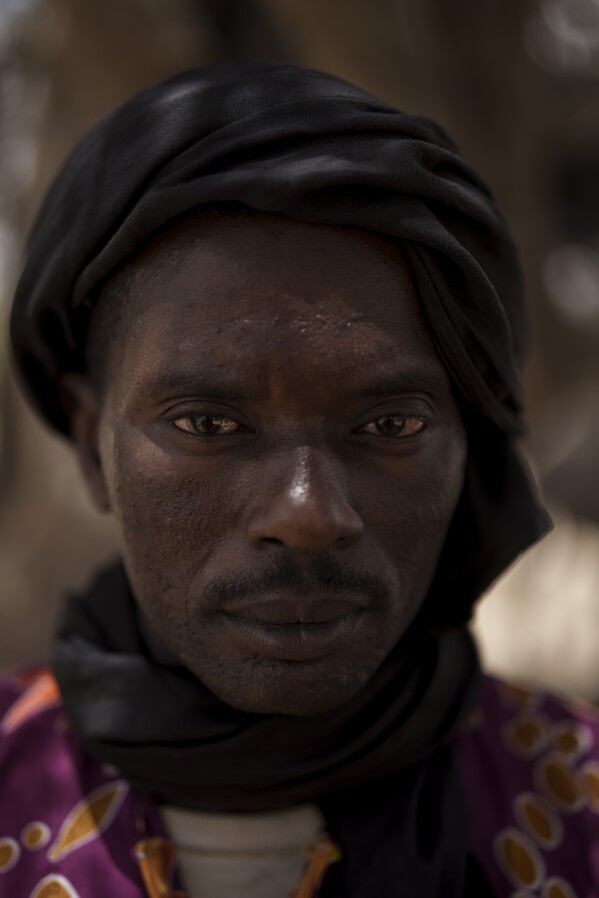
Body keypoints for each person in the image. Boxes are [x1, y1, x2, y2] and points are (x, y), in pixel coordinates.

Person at [2, 62, 596, 898]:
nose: (307, 514)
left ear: (471, 445)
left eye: (389, 426)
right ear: (84, 441)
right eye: (207, 424)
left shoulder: (580, 803)